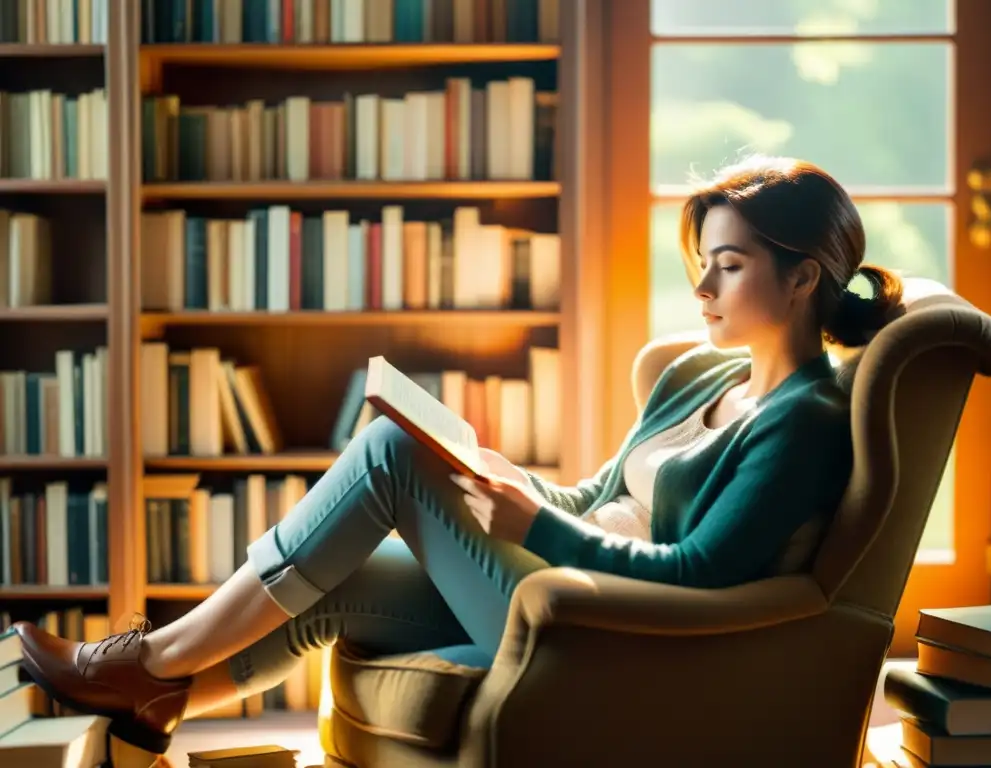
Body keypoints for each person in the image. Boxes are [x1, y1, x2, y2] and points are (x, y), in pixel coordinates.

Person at [12, 155, 903, 755]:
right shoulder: (695, 376)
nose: (702, 286)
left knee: (392, 449)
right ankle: (158, 703)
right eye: (702, 263)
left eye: (731, 266)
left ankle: (146, 661)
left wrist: (533, 530)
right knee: (346, 579)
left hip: (603, 627)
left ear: (803, 277)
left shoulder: (806, 420)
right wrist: (522, 487)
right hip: (557, 577)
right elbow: (597, 492)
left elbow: (704, 573)